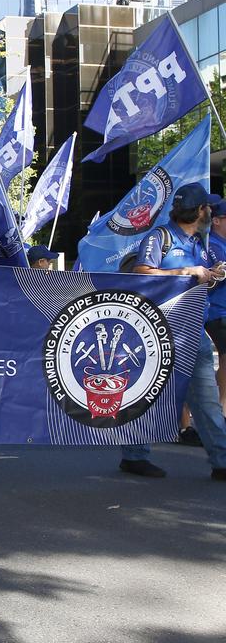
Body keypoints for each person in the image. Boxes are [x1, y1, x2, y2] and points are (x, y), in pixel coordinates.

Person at [119, 183, 226, 481]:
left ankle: (222, 461)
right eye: (208, 207)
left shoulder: (199, 242)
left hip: (194, 330)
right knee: (147, 395)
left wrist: (212, 275)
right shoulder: (160, 237)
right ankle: (134, 456)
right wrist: (185, 272)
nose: (211, 211)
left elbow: (200, 279)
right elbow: (142, 272)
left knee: (206, 400)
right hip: (159, 331)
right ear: (199, 211)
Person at [205, 199, 226, 420]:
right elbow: (219, 274)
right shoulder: (213, 245)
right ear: (217, 221)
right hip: (218, 311)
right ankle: (220, 410)